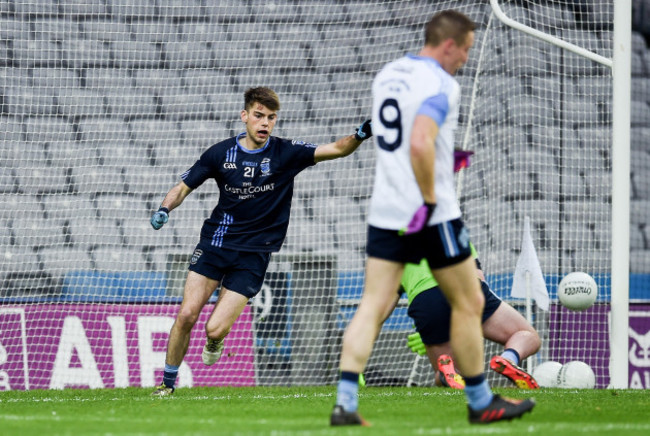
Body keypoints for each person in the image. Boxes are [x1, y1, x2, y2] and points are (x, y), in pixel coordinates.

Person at [330, 10, 535, 426]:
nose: (464, 59)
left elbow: (406, 138)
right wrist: (428, 196)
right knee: (469, 301)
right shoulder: (441, 82)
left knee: (371, 305)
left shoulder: (388, 74)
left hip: (386, 212)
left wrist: (444, 160)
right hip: (431, 213)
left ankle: (345, 403)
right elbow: (422, 142)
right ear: (449, 45)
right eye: (465, 50)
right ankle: (480, 401)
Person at [149, 87, 372, 396]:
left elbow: (336, 148)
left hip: (253, 255)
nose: (265, 123)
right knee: (187, 314)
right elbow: (183, 187)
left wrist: (359, 135)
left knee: (214, 328)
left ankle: (215, 340)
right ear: (245, 117)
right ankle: (167, 385)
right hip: (215, 243)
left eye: (271, 117)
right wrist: (164, 208)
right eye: (258, 116)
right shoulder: (220, 153)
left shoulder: (286, 153)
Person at [401, 243, 541, 390]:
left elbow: (386, 301)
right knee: (526, 334)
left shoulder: (392, 247)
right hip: (464, 287)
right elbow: (479, 277)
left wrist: (427, 331)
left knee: (450, 372)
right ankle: (509, 358)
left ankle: (450, 373)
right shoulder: (450, 229)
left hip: (426, 300)